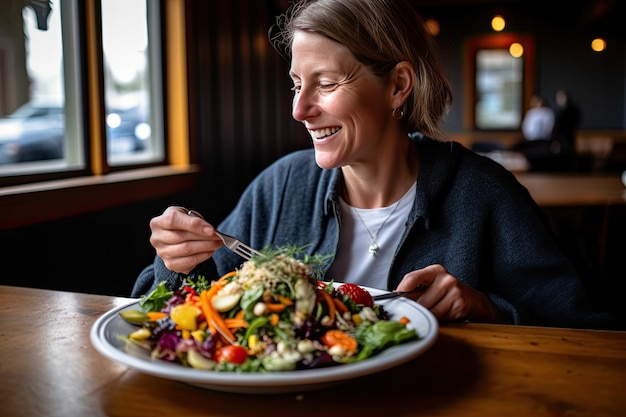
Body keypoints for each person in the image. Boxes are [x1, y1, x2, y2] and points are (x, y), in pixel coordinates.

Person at [132, 0, 616, 329]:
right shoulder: (279, 188)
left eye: (325, 83)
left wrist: (487, 308)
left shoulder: (484, 194)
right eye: (296, 82)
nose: (299, 110)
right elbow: (165, 308)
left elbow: (583, 333)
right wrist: (177, 262)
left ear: (398, 86)